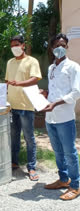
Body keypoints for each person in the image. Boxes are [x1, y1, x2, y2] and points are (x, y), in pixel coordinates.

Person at [41, 34, 80, 200]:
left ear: (67, 46)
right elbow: (56, 91)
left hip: (65, 117)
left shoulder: (73, 67)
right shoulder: (52, 68)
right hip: (50, 118)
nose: (60, 48)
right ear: (51, 48)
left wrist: (55, 103)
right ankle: (63, 179)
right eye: (57, 45)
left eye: (63, 44)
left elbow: (76, 92)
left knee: (69, 152)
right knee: (57, 151)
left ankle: (75, 185)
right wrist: (45, 94)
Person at [5, 35, 42, 181]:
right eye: (12, 45)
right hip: (12, 105)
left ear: (23, 45)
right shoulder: (10, 62)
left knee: (29, 137)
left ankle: (31, 167)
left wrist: (19, 83)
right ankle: (14, 162)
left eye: (17, 45)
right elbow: (7, 81)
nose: (15, 48)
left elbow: (36, 78)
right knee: (13, 136)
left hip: (26, 105)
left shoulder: (32, 61)